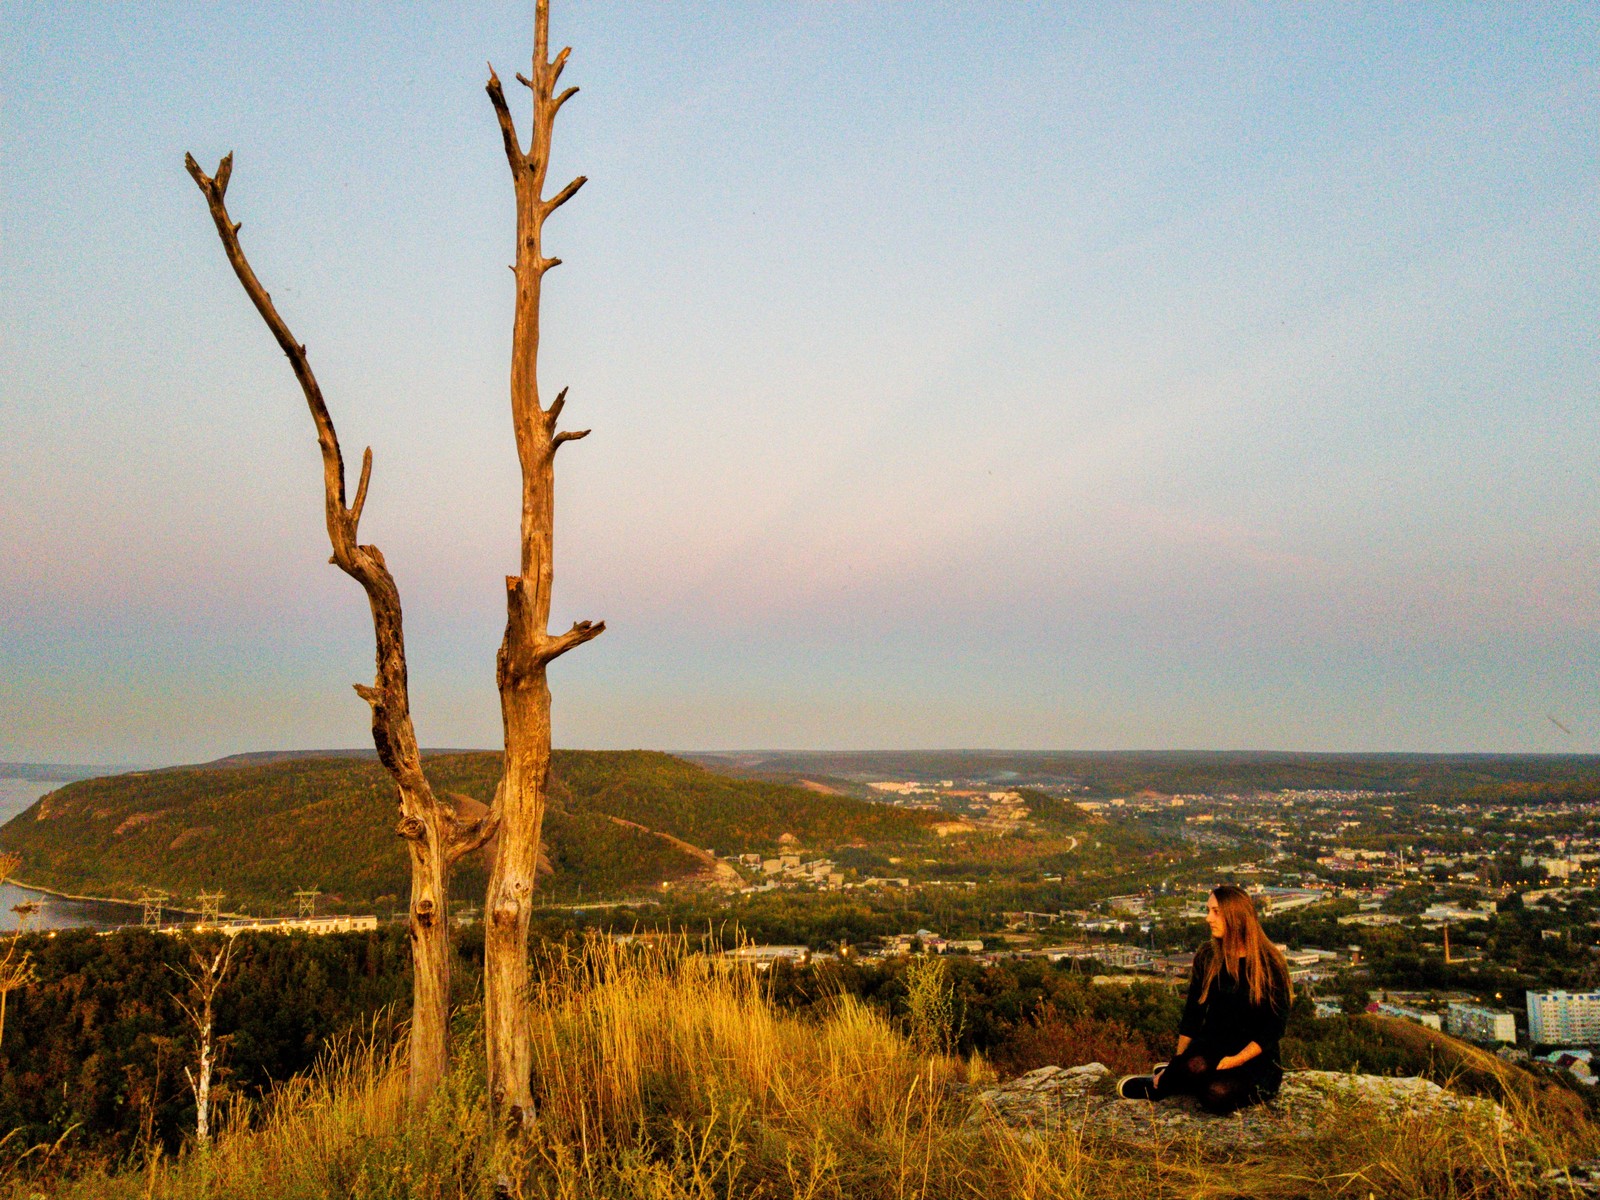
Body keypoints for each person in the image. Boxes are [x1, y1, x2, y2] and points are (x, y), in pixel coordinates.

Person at [1117, 883, 1291, 1114]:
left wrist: (1236, 1060)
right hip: (1212, 1046)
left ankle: (1181, 1078)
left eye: (1216, 912)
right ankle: (1159, 1085)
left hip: (1255, 1058)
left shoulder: (1269, 963)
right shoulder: (1208, 956)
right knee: (1193, 1066)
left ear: (1237, 917)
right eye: (1208, 910)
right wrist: (1177, 1062)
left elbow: (1275, 1026)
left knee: (1215, 1094)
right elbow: (1193, 1013)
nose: (1209, 918)